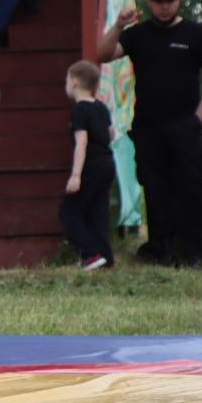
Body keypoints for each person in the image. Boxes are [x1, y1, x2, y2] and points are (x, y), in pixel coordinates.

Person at [96, 0, 202, 267]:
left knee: (189, 185)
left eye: (170, 1)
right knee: (155, 188)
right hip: (149, 128)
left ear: (178, 1)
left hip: (185, 126)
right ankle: (160, 247)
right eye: (159, 1)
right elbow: (101, 54)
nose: (165, 7)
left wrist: (198, 118)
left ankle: (192, 248)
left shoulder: (194, 34)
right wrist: (118, 25)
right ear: (149, 3)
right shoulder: (137, 34)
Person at [60, 60, 114, 271]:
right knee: (97, 211)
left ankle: (90, 254)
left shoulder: (79, 110)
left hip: (90, 166)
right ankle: (105, 258)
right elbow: (110, 133)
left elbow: (81, 143)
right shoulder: (100, 106)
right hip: (107, 164)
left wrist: (76, 175)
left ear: (74, 82)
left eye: (66, 80)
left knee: (69, 212)